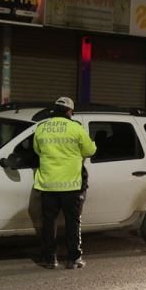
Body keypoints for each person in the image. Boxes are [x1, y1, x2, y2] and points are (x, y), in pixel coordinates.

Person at [33, 96, 97, 269]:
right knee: (72, 222)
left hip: (47, 184)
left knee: (49, 222)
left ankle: (49, 259)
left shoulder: (41, 127)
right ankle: (73, 258)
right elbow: (90, 150)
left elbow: (37, 150)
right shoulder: (75, 128)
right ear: (69, 112)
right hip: (71, 185)